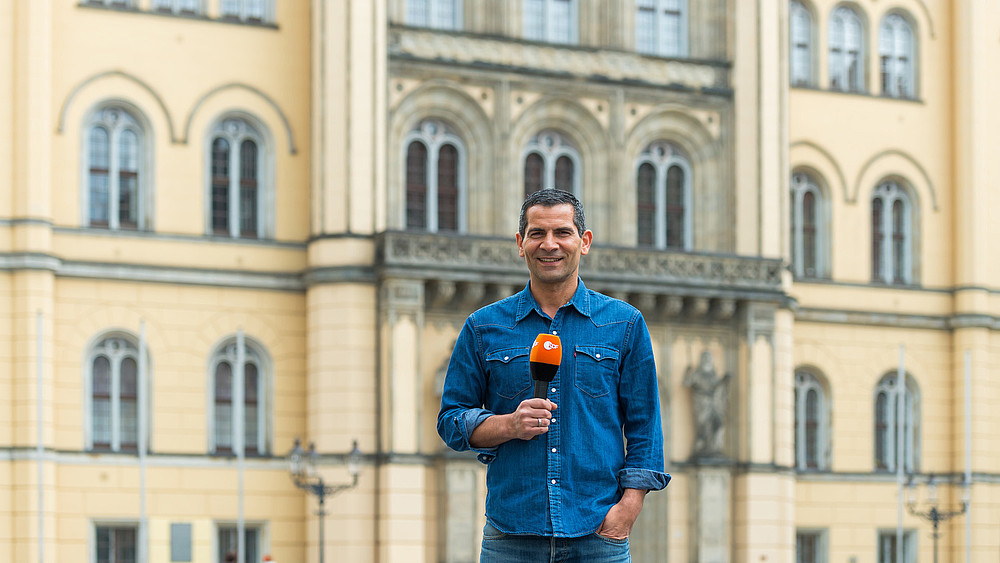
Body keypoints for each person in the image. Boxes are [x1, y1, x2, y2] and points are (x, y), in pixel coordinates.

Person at [437, 188, 670, 562]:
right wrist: (509, 425)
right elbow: (451, 421)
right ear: (520, 243)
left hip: (597, 536)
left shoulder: (625, 324)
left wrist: (627, 509)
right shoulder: (483, 327)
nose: (549, 244)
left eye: (562, 232)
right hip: (510, 536)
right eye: (537, 233)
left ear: (584, 241)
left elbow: (645, 426)